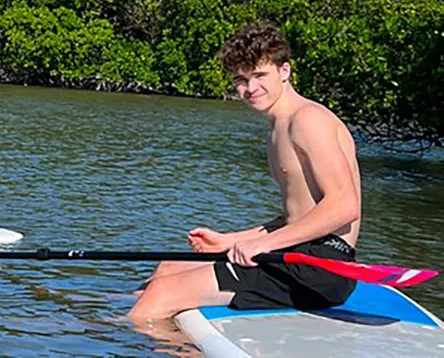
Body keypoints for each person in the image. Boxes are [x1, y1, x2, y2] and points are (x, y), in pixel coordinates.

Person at [128, 22, 361, 321]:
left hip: (319, 268)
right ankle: (103, 313)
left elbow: (344, 206)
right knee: (168, 268)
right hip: (295, 254)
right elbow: (298, 218)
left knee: (161, 295)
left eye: (260, 75)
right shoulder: (278, 130)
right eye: (241, 79)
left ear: (284, 71)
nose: (250, 88)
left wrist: (262, 244)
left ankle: (118, 335)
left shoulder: (307, 120)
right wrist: (232, 240)